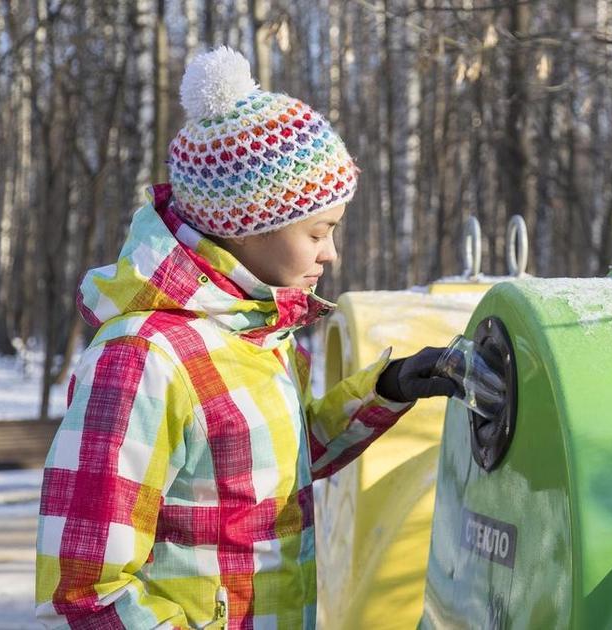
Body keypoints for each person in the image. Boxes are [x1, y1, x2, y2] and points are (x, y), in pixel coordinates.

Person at [34, 47, 456, 628]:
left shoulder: (258, 337)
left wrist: (388, 388)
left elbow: (273, 467)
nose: (331, 254)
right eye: (319, 232)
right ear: (249, 225)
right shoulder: (143, 359)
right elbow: (82, 589)